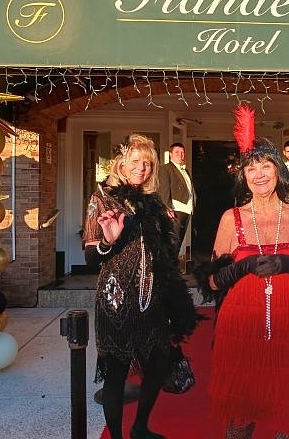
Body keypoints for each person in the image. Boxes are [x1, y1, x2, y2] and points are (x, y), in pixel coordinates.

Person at [195, 104, 289, 438]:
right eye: (251, 168)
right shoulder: (232, 219)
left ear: (278, 170)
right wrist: (239, 268)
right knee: (241, 414)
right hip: (240, 324)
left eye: (265, 165)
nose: (259, 174)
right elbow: (211, 282)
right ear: (243, 176)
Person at [84, 134, 201, 439]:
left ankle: (140, 427)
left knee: (158, 362)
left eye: (148, 163)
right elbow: (89, 254)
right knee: (116, 371)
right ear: (120, 163)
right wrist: (108, 241)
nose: (142, 168)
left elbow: (163, 253)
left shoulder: (153, 201)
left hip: (153, 297)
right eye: (135, 161)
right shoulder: (102, 198)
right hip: (117, 298)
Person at [158, 142, 195, 248]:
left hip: (187, 210)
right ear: (171, 154)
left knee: (179, 243)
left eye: (182, 152)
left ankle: (174, 263)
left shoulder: (185, 171)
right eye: (177, 152)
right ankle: (169, 264)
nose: (180, 155)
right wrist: (167, 208)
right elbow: (164, 190)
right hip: (175, 211)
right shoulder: (165, 169)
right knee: (172, 243)